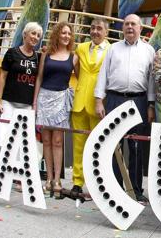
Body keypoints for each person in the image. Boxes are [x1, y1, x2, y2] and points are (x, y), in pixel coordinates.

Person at [94, 14, 155, 203]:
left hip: (139, 101)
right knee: (114, 145)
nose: (130, 27)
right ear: (123, 28)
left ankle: (136, 189)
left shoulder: (149, 50)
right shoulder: (113, 49)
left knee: (136, 146)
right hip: (114, 100)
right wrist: (98, 100)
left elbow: (151, 80)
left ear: (140, 28)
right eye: (127, 24)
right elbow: (103, 74)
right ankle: (115, 187)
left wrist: (151, 105)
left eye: (133, 24)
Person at [33, 22, 79, 197]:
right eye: (63, 33)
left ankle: (58, 180)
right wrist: (35, 102)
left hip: (61, 99)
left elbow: (81, 78)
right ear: (57, 35)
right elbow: (39, 78)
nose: (66, 36)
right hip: (44, 98)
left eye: (69, 33)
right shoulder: (46, 54)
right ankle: (49, 179)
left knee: (58, 141)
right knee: (46, 141)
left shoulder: (74, 57)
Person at [70, 18, 109, 195]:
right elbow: (76, 69)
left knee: (97, 146)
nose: (95, 31)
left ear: (106, 32)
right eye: (92, 28)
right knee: (78, 144)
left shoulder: (111, 50)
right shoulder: (81, 47)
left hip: (99, 104)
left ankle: (96, 182)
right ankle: (77, 182)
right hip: (79, 103)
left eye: (99, 28)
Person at [0, 22, 43, 146]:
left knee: (22, 142)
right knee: (5, 139)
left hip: (27, 105)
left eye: (38, 35)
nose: (35, 37)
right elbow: (2, 76)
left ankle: (16, 165)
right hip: (9, 102)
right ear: (25, 34)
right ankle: (4, 165)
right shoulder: (12, 53)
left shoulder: (39, 58)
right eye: (33, 33)